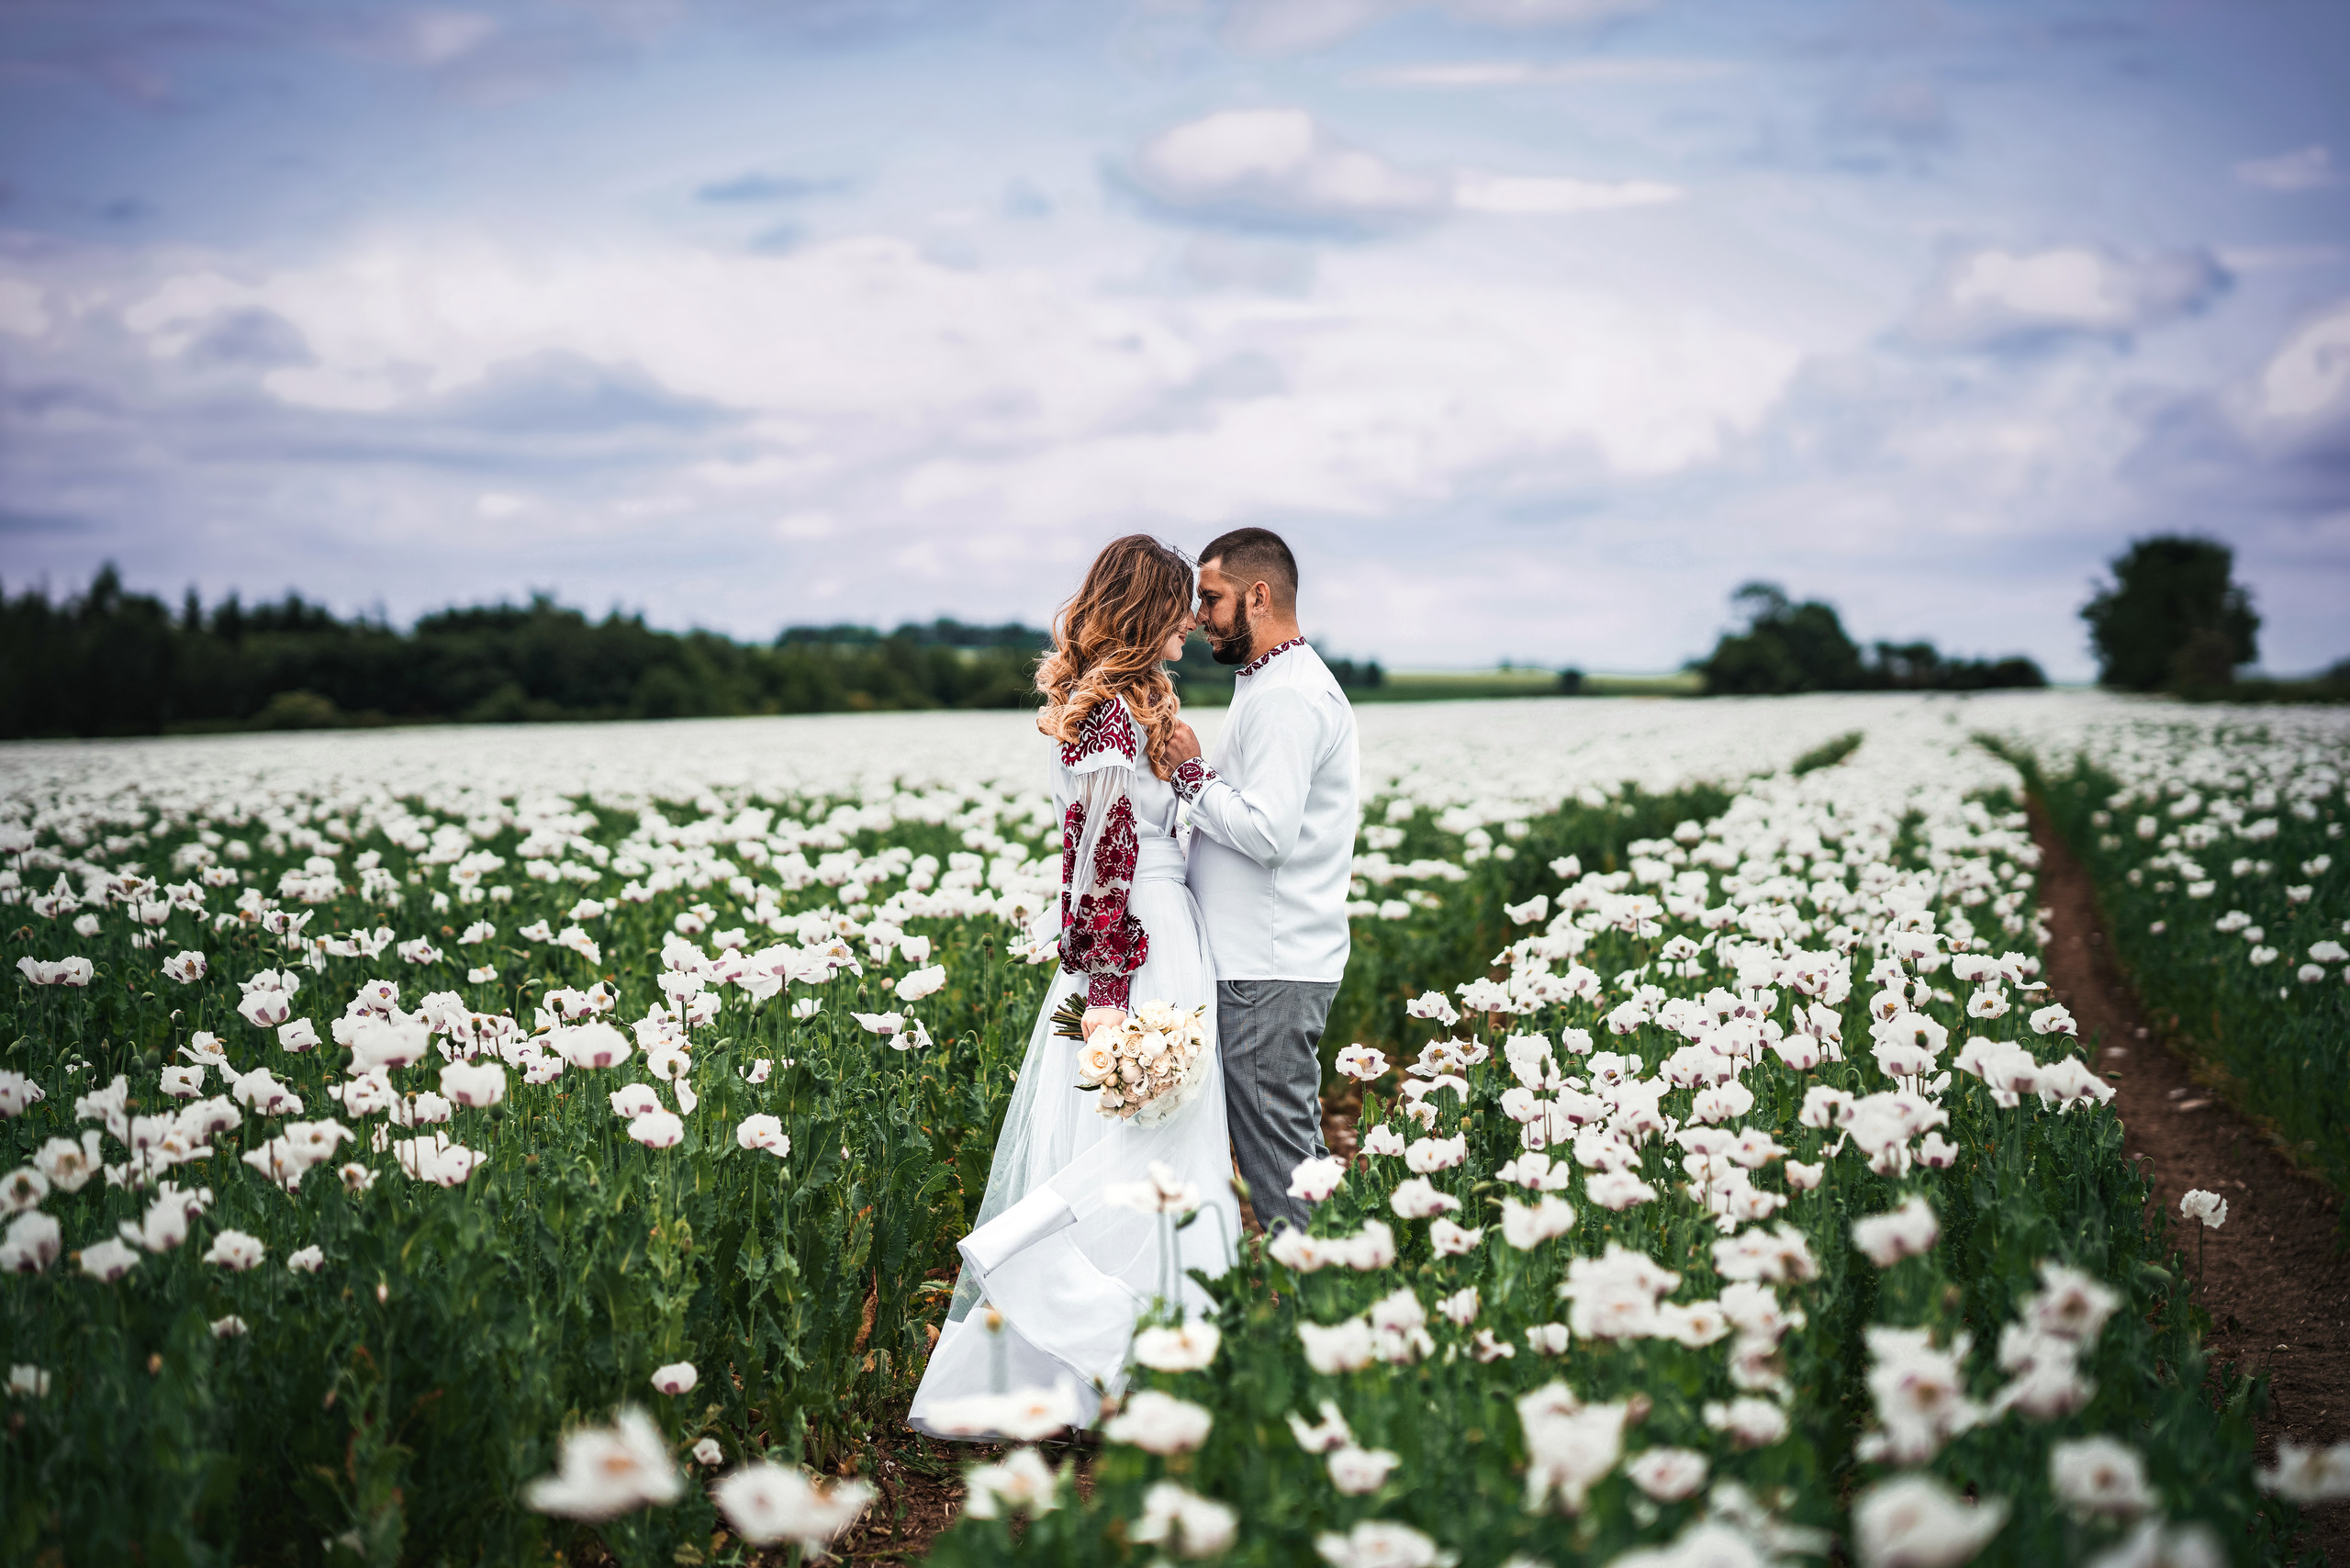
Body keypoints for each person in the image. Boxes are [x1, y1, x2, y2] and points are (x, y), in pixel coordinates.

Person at [908, 534, 1240, 1439]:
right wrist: (1104, 984)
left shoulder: (1120, 709)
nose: (1190, 621)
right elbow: (1097, 860)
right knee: (1151, 1129)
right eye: (1180, 604)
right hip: (1140, 941)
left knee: (1154, 1127)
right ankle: (1097, 1334)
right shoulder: (1110, 718)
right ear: (1149, 609)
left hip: (1153, 933)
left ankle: (1131, 1353)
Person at [1165, 527, 1360, 1236]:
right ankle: (1342, 1305)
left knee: (1279, 1168)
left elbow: (1269, 836)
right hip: (1267, 962)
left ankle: (1328, 1319)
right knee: (1292, 1158)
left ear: (1258, 595)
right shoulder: (1276, 683)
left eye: (1210, 599)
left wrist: (1190, 776)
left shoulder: (1286, 697)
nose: (1196, 617)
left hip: (1267, 967)